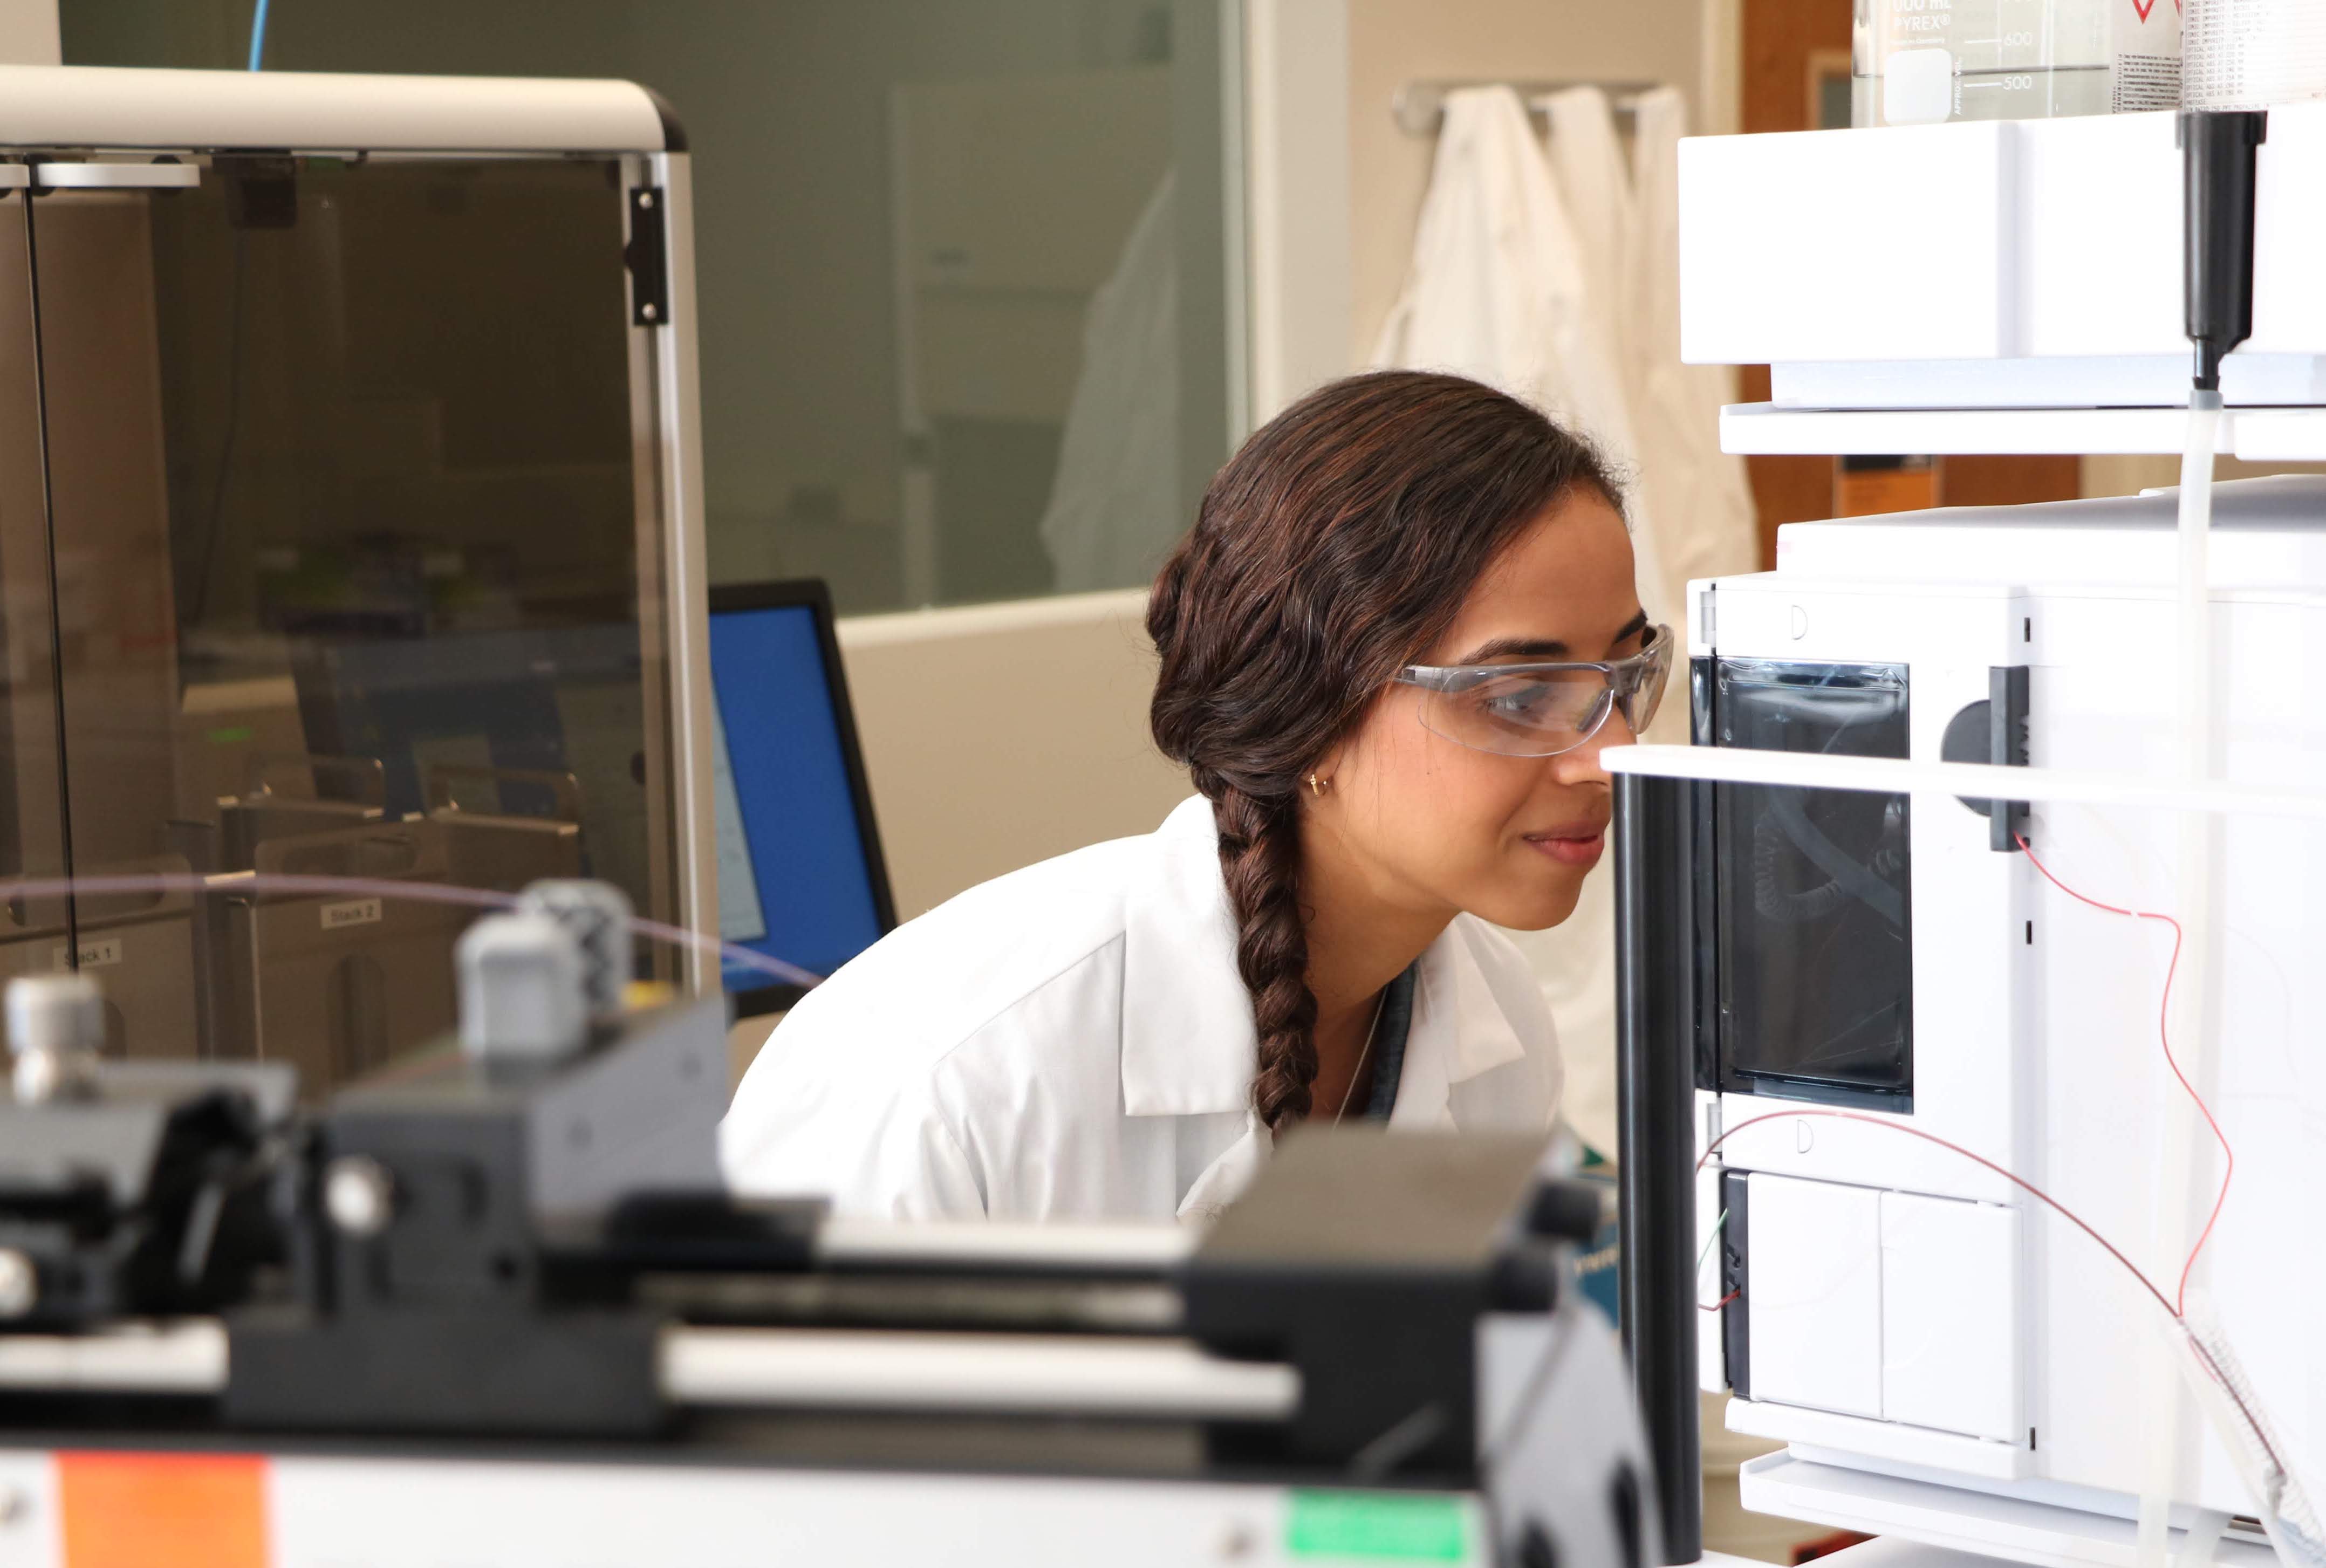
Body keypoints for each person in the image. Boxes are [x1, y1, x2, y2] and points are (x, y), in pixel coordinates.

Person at [720, 370, 1668, 1221]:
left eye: (1625, 679)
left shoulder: (1495, 1033)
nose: (1612, 755)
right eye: (1520, 696)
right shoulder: (951, 1078)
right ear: (1311, 710)